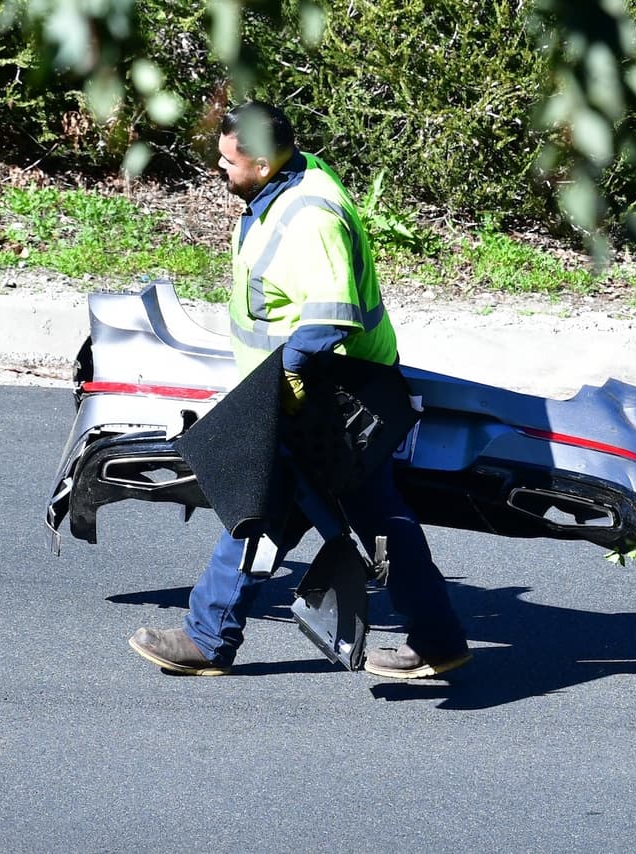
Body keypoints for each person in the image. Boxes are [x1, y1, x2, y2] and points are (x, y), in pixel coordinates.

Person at [128, 100, 470, 680]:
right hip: (299, 395)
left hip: (337, 400)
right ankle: (209, 638)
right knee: (263, 508)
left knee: (372, 519)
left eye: (228, 160)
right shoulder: (285, 184)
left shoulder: (310, 218)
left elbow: (332, 319)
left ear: (262, 163)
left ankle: (436, 640)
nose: (219, 167)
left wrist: (289, 370)